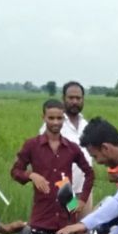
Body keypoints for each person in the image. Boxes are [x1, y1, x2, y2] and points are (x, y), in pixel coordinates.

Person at [11, 99, 94, 234]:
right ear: (43, 118)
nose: (55, 122)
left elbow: (89, 173)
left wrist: (82, 200)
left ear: (64, 119)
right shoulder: (32, 145)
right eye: (51, 118)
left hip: (68, 215)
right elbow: (15, 171)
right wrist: (31, 175)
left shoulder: (71, 147)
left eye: (59, 118)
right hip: (42, 215)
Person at [39, 81, 94, 216]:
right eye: (71, 98)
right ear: (63, 98)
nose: (75, 101)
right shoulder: (53, 125)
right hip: (62, 191)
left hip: (84, 190)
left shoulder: (86, 125)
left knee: (85, 226)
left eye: (78, 98)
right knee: (67, 225)